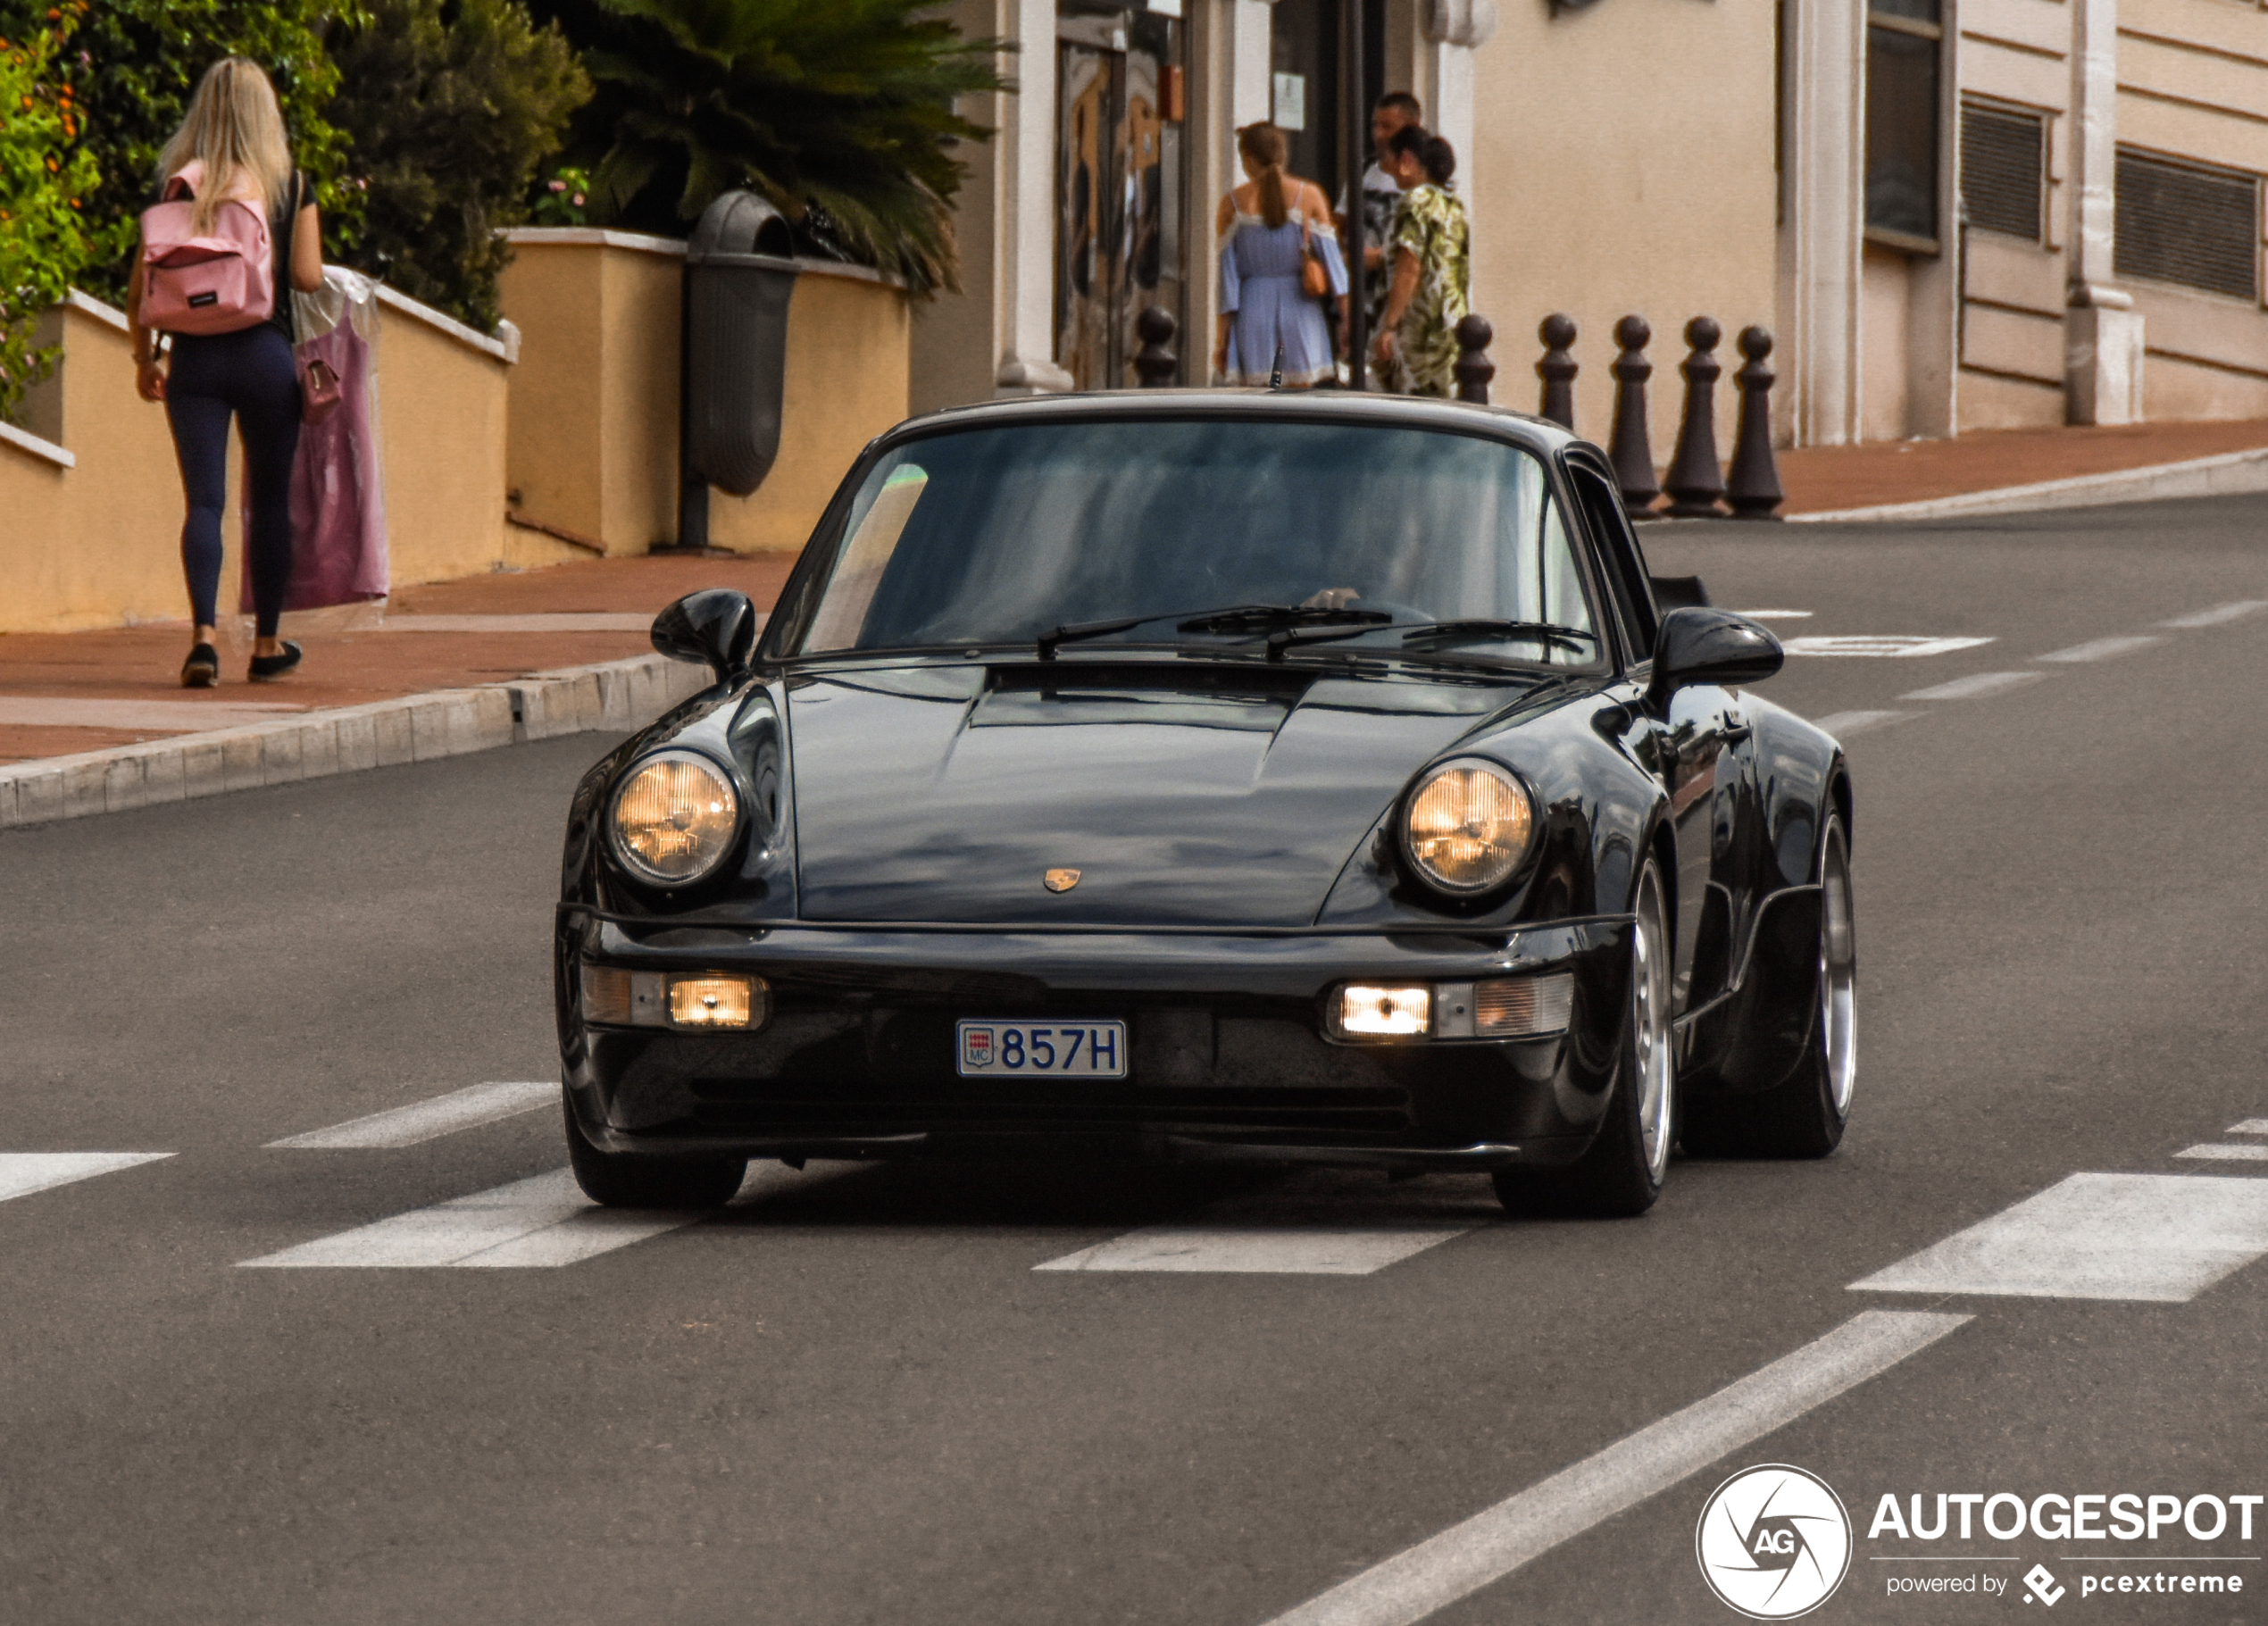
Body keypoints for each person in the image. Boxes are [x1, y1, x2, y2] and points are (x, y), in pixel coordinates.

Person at [127, 57, 324, 688]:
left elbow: (143, 286)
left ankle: (204, 640)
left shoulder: (179, 185)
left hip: (195, 360)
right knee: (267, 503)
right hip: (267, 356)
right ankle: (265, 642)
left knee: (204, 502)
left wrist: (144, 356)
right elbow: (306, 277)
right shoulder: (288, 183)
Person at [1213, 122, 1347, 388]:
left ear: (1248, 158)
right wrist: (1347, 319)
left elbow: (1228, 281)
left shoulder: (1233, 203)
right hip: (1301, 310)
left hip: (1252, 310)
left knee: (1257, 402)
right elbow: (1335, 268)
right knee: (1300, 403)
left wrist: (1221, 339)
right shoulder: (1310, 196)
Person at [1373, 127, 1471, 399]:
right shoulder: (1453, 204)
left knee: (1413, 406)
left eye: (1388, 159)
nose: (1386, 168)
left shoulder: (1415, 202)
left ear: (1405, 160)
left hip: (1420, 328)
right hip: (1451, 324)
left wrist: (1389, 325)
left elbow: (1410, 265)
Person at [1338, 91, 1422, 387]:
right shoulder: (1361, 173)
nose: (1379, 134)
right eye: (1376, 125)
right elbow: (1340, 229)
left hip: (1404, 304)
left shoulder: (1423, 186)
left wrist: (1381, 257)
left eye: (1388, 126)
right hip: (1363, 300)